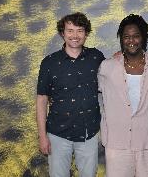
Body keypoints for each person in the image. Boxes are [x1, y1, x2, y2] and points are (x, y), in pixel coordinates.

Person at [36, 12, 105, 177]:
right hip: (57, 134)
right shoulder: (49, 62)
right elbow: (41, 100)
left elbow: (112, 80)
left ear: (86, 33)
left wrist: (119, 57)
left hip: (88, 133)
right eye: (70, 30)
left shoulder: (97, 57)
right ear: (62, 33)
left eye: (80, 30)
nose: (75, 35)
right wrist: (42, 136)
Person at [98, 14, 148, 177]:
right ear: (121, 39)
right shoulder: (107, 67)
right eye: (126, 37)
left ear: (143, 37)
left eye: (136, 36)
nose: (131, 41)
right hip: (117, 143)